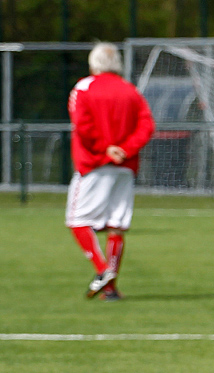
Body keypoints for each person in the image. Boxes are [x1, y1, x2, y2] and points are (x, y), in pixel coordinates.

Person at [67, 42, 154, 301]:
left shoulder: (84, 87)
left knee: (77, 221)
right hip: (124, 167)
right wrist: (125, 150)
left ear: (93, 63)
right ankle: (111, 289)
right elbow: (147, 125)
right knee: (116, 226)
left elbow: (81, 123)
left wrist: (107, 149)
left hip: (95, 165)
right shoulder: (131, 90)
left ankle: (103, 271)